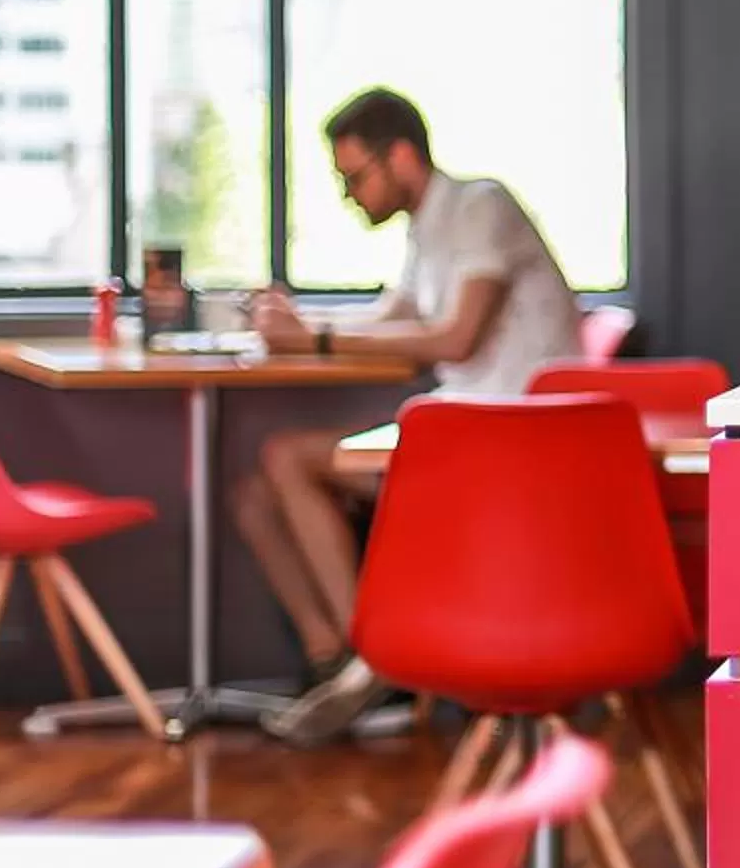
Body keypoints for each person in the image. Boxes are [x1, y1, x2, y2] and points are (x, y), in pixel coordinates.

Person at [235, 87, 584, 744]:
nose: (348, 196)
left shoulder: (480, 208)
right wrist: (298, 323)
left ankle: (375, 660)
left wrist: (313, 340)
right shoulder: (426, 228)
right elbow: (392, 315)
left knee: (286, 458)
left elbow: (456, 338)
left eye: (354, 177)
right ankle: (338, 659)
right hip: (468, 432)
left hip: (516, 447)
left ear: (400, 156)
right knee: (253, 496)